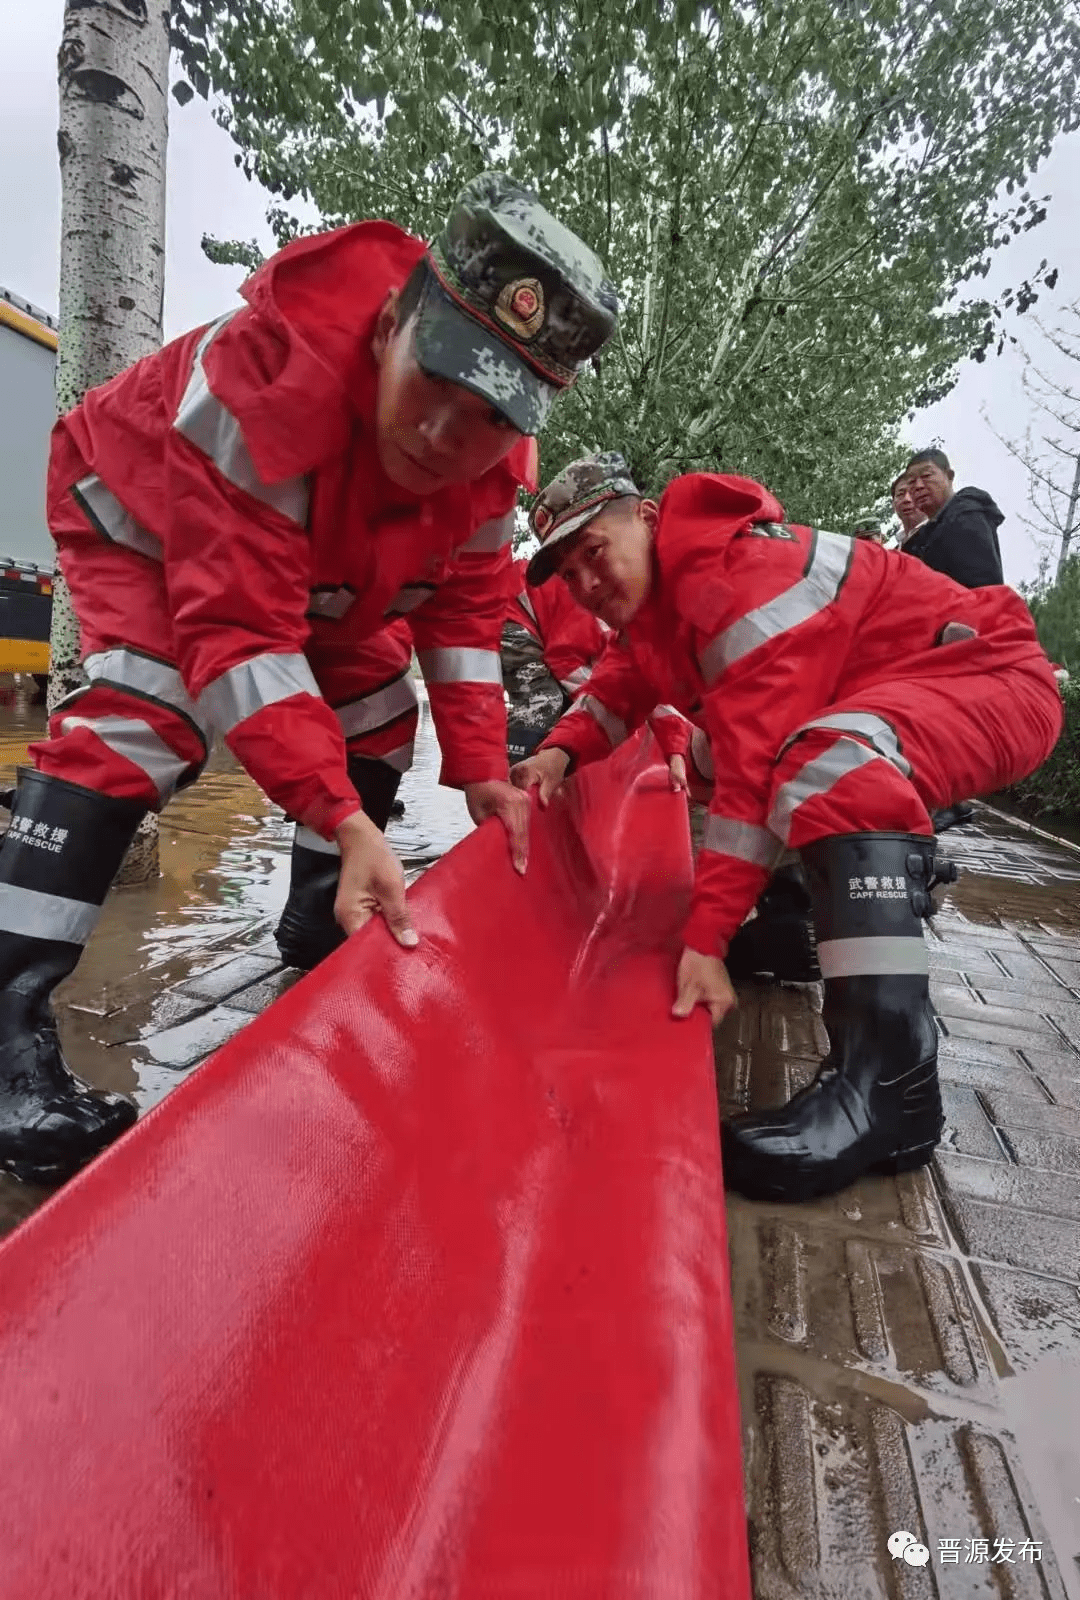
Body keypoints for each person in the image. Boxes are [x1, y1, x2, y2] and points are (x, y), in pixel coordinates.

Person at [0, 172, 618, 1187]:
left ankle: (321, 915)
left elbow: (461, 621)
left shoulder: (488, 475)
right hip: (146, 516)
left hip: (321, 556)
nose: (443, 438)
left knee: (379, 707)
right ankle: (4, 1034)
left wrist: (477, 772)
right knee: (151, 715)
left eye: (490, 421)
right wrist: (338, 810)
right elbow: (240, 633)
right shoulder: (255, 388)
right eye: (436, 383)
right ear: (389, 329)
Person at [511, 454, 1062, 1202]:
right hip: (919, 688)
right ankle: (794, 916)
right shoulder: (666, 604)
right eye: (568, 574)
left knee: (822, 765)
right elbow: (623, 686)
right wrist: (555, 753)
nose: (585, 584)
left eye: (592, 553)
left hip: (988, 679)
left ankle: (887, 1087)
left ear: (645, 520)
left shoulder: (740, 583)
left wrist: (705, 942)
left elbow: (751, 777)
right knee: (721, 750)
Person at [501, 552, 692, 782]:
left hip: (543, 622)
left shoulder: (634, 631)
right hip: (508, 610)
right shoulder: (594, 614)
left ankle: (554, 768)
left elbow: (651, 689)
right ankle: (515, 775)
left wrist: (675, 752)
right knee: (545, 702)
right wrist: (592, 707)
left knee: (576, 707)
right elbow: (564, 661)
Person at [891, 448, 1004, 587]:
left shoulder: (965, 515)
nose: (918, 486)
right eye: (911, 481)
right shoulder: (924, 536)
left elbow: (983, 586)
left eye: (926, 476)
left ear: (949, 476)